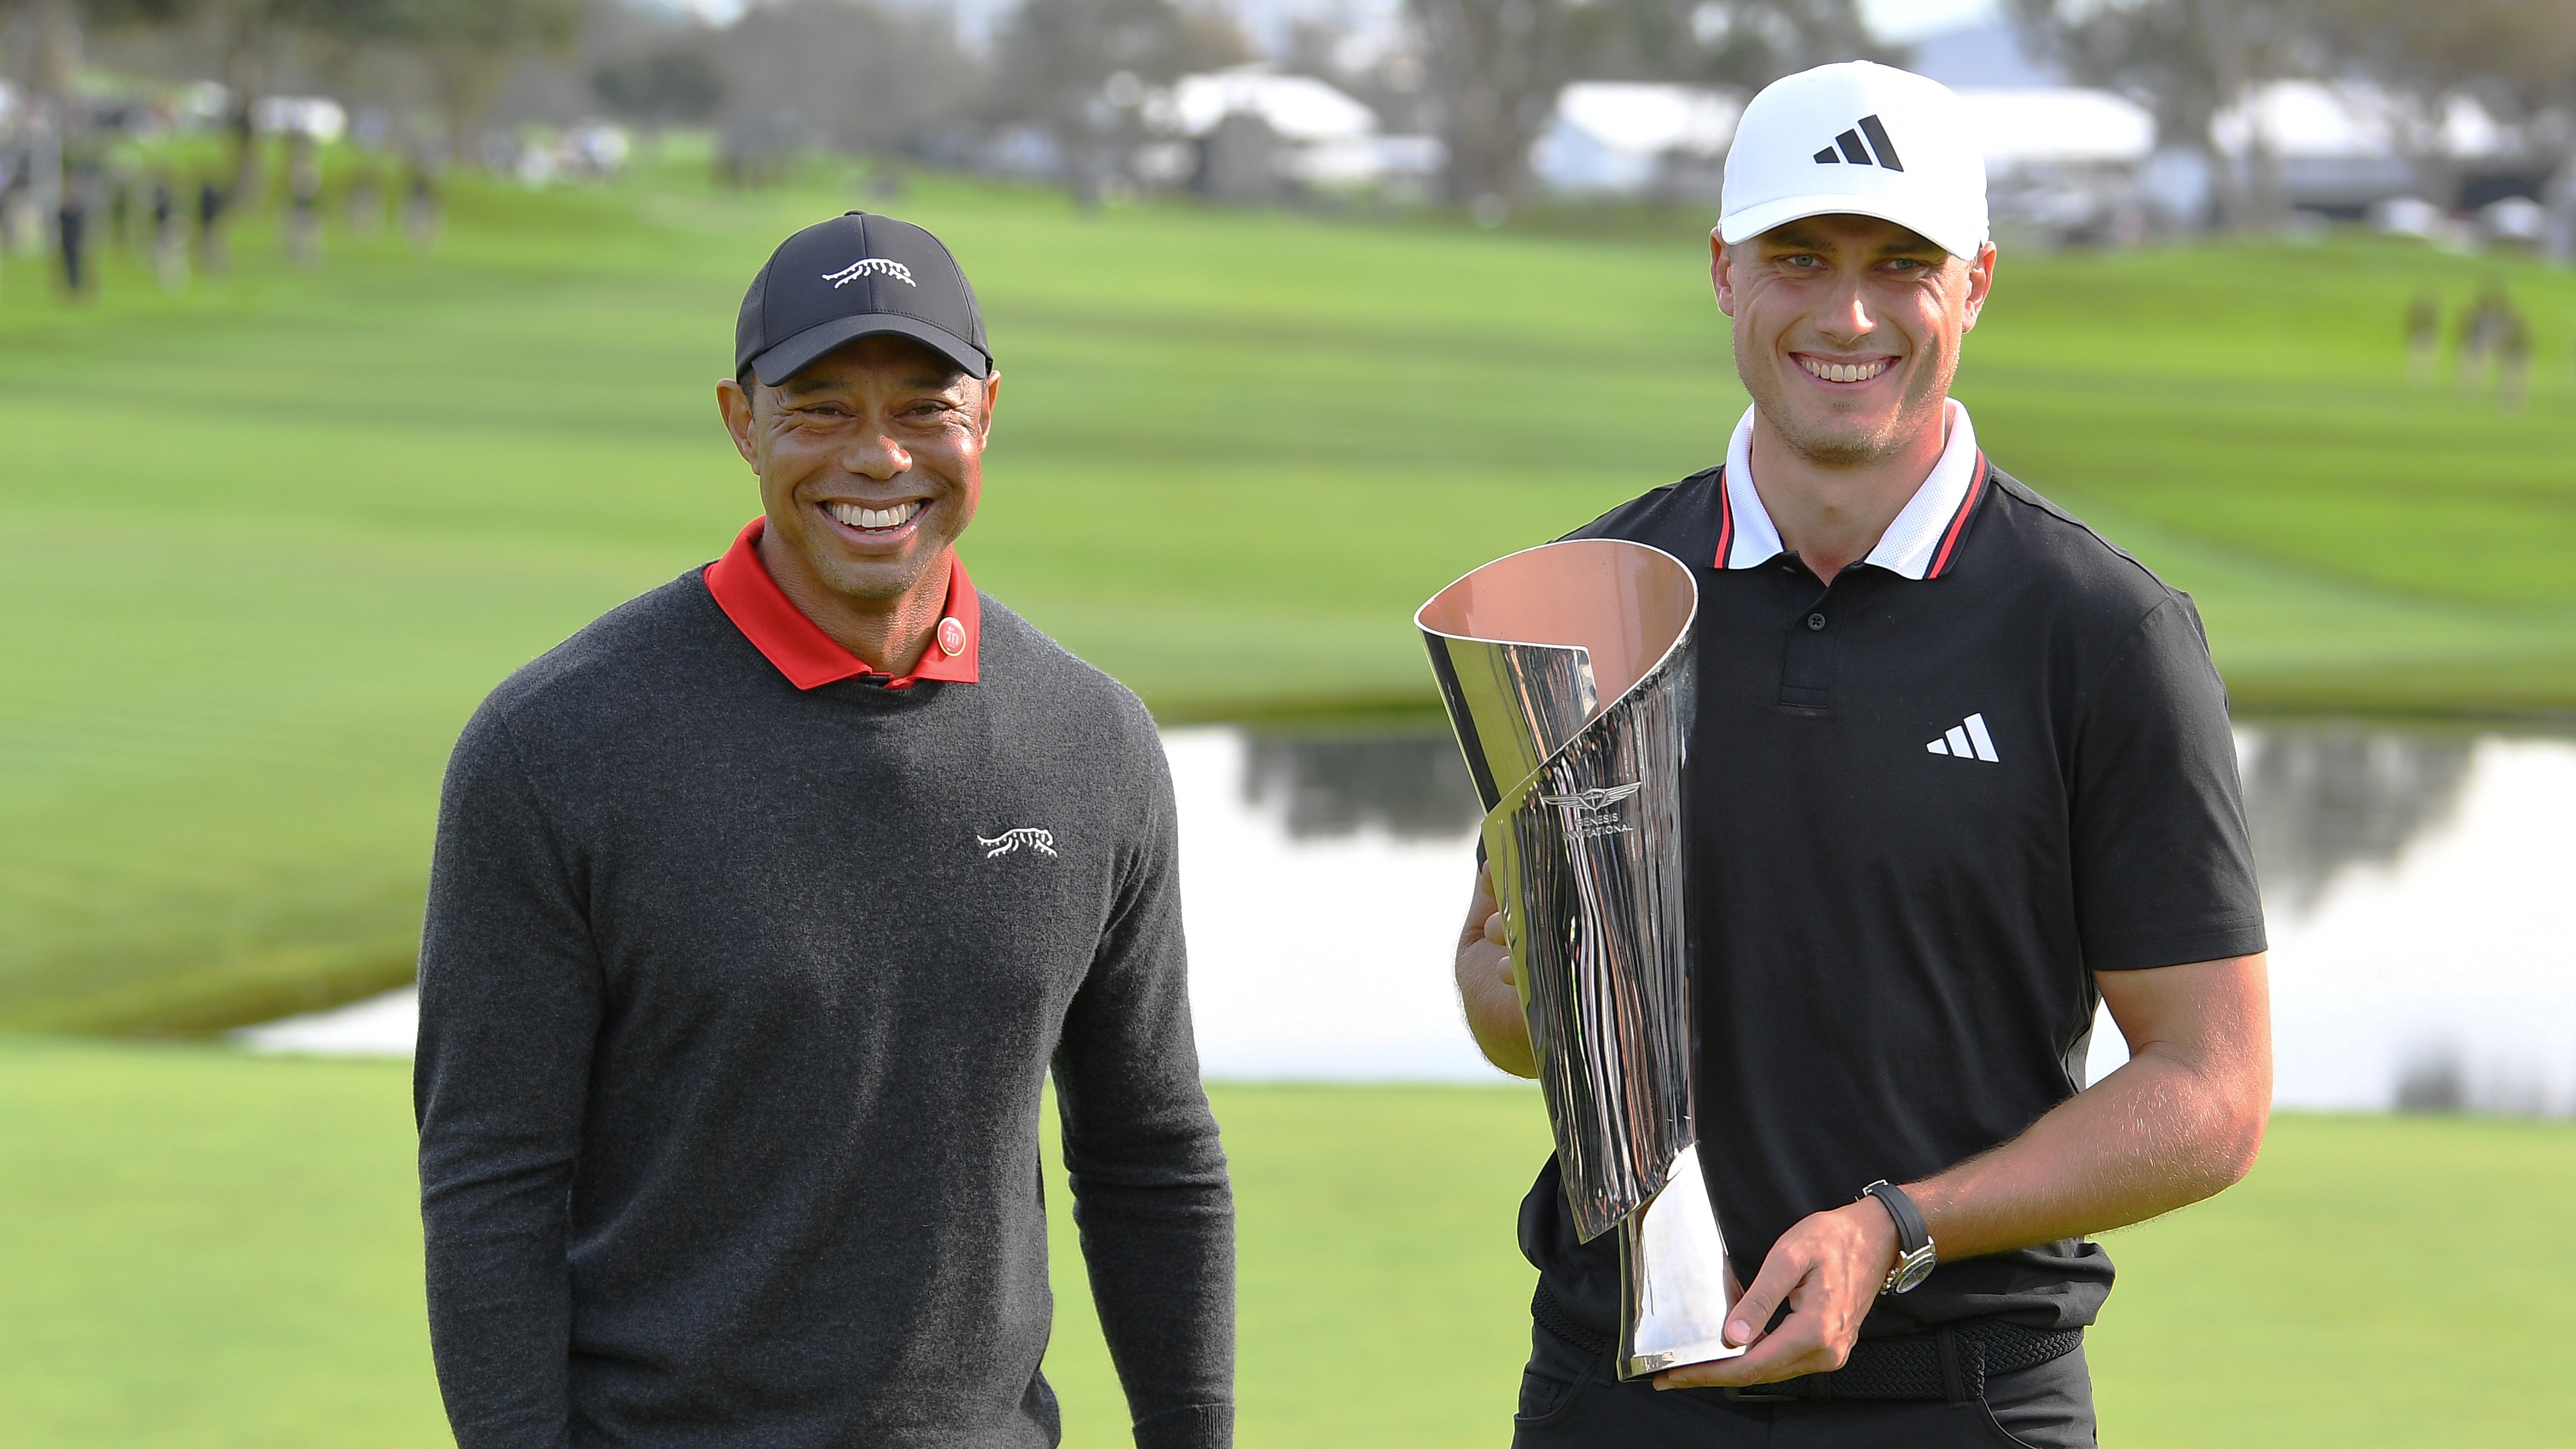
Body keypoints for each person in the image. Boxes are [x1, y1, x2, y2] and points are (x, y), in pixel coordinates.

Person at [1454, 62, 2271, 1447]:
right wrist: (1545, 990)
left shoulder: (2102, 633)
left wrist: (1896, 1227)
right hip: (1620, 1384)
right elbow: (1497, 994)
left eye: (1902, 263)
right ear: (1723, 272)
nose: (1847, 313)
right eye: (1799, 257)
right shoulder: (1594, 597)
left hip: (1959, 1396)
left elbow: (2210, 1088)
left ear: (1978, 283)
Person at [416, 211, 1235, 1448]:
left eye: (922, 406)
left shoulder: (1092, 741)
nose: (878, 456)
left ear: (987, 415)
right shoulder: (554, 747)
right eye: (819, 406)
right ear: (740, 420)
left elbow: (1150, 1152)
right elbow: (492, 1181)